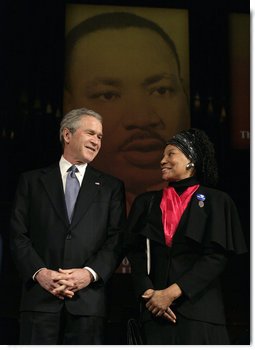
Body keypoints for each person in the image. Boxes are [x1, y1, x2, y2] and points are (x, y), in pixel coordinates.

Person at [9, 108, 127, 345]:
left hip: (88, 304)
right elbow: (17, 235)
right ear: (67, 134)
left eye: (100, 137)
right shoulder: (31, 181)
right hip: (39, 301)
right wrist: (40, 273)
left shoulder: (111, 187)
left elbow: (117, 239)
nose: (96, 141)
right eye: (91, 133)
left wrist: (88, 274)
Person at [125, 128, 247, 345]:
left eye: (170, 154)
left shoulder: (217, 201)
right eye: (163, 155)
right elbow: (136, 254)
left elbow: (216, 257)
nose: (162, 160)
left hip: (200, 313)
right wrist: (150, 294)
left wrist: (171, 294)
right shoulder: (146, 202)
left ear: (191, 159)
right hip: (154, 314)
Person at [64, 11, 190, 211]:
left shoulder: (209, 207)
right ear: (69, 107)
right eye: (108, 95)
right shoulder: (54, 202)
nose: (142, 119)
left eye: (161, 90)